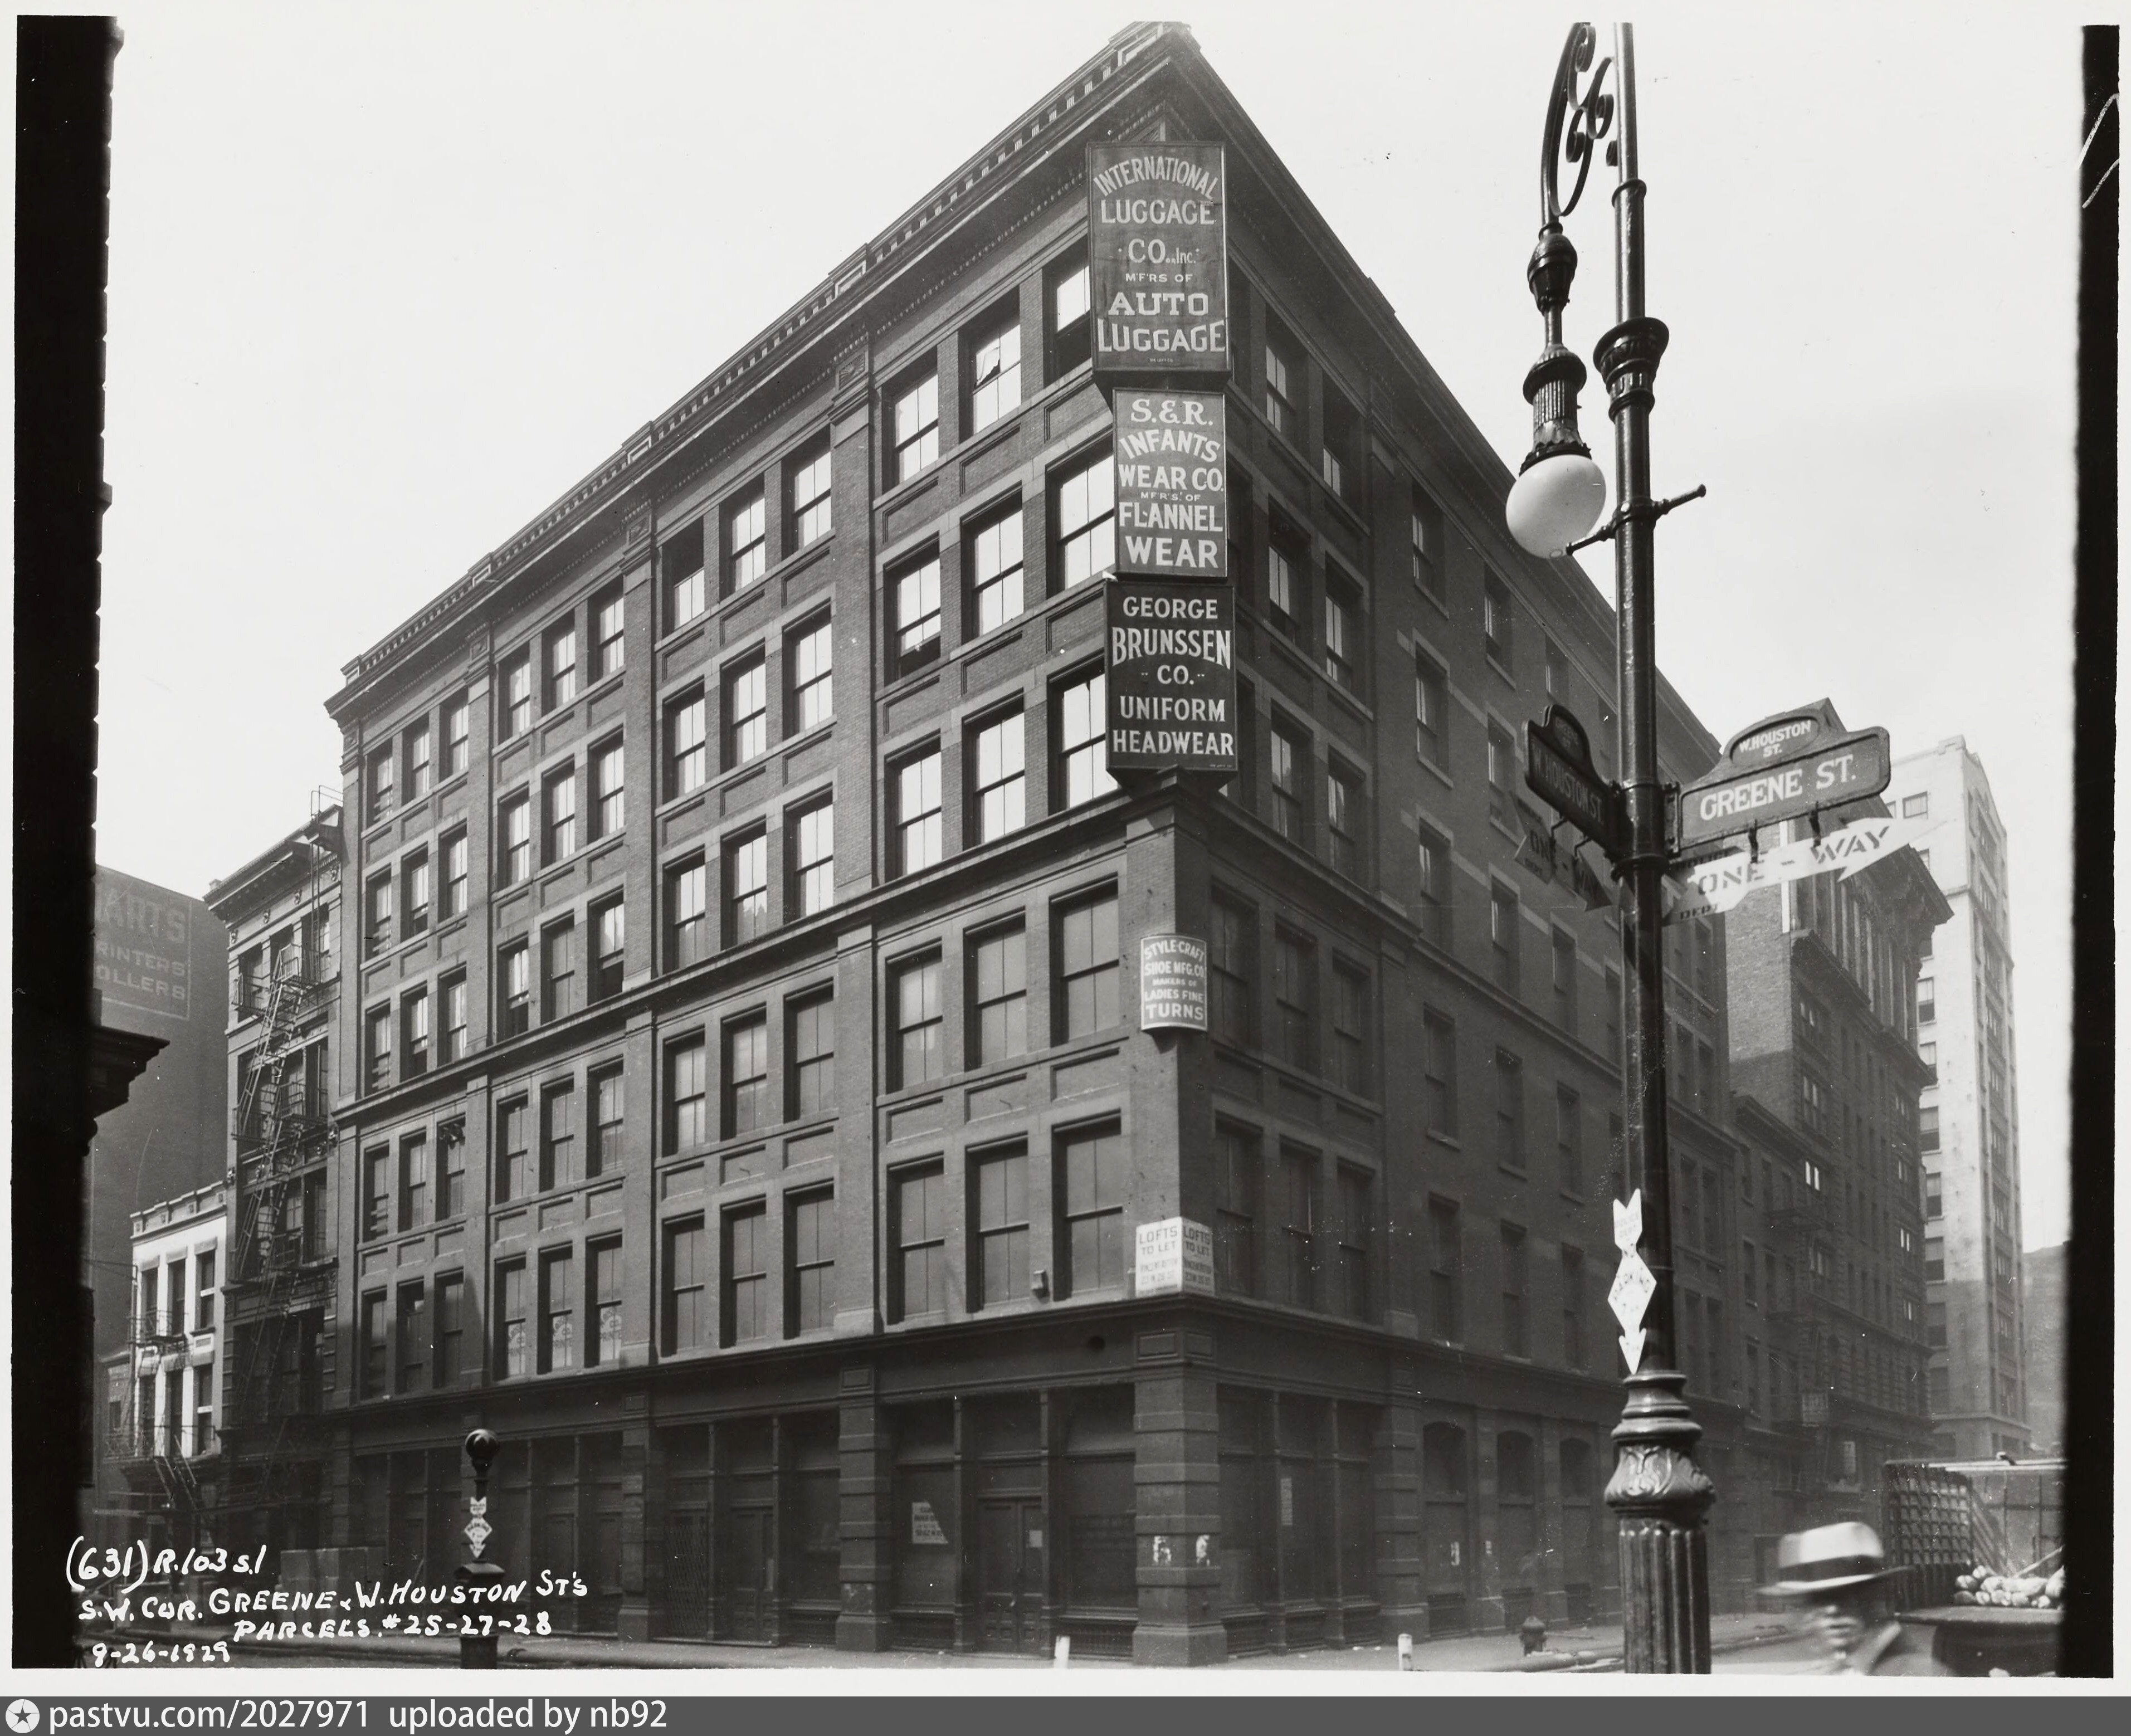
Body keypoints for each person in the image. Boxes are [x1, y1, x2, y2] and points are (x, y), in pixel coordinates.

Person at [1766, 1522, 1952, 1675]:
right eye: (1818, 1599)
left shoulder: (1913, 1675)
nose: (1831, 1610)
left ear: (1876, 1595)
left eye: (1843, 1594)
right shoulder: (1847, 1669)